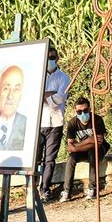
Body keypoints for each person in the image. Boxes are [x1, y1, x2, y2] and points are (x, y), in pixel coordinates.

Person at [37, 44, 70, 201]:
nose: (50, 61)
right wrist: (50, 95)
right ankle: (33, 187)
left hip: (56, 122)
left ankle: (45, 188)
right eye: (47, 58)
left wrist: (45, 96)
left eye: (52, 58)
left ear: (57, 59)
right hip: (40, 122)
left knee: (50, 159)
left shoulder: (64, 77)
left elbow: (60, 98)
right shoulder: (38, 76)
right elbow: (35, 96)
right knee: (36, 157)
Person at [60, 96, 108, 201]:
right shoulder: (72, 123)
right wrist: (89, 140)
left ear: (90, 109)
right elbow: (70, 147)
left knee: (92, 152)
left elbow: (98, 142)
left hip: (99, 149)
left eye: (85, 110)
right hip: (82, 151)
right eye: (79, 112)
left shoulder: (97, 120)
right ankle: (67, 191)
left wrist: (77, 146)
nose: (82, 114)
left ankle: (93, 188)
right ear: (75, 111)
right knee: (71, 158)